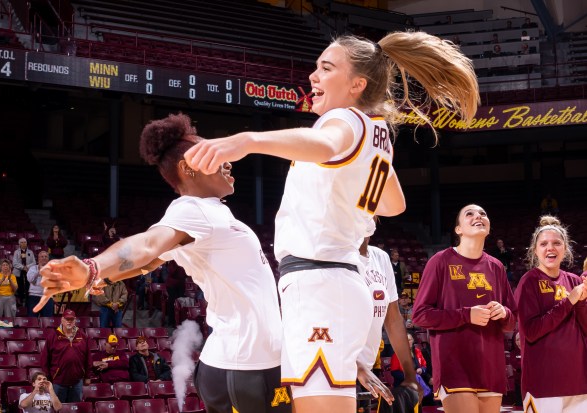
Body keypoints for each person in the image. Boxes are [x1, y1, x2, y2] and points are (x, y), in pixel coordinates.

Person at [183, 33, 478, 413]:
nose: (313, 76)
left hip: (320, 285)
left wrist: (246, 140)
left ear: (358, 84)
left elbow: (325, 146)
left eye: (327, 68)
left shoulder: (344, 119)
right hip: (334, 284)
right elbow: (393, 204)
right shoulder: (377, 132)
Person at [35, 113, 288, 413]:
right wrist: (93, 268)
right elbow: (148, 243)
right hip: (246, 368)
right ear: (187, 169)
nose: (227, 160)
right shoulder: (192, 209)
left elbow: (147, 261)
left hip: (242, 364)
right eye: (211, 153)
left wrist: (103, 274)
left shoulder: (209, 216)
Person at [412, 204, 517, 413]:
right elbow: (420, 315)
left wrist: (503, 313)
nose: (478, 216)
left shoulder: (496, 266)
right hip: (455, 364)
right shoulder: (440, 261)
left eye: (483, 214)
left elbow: (512, 320)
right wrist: (466, 315)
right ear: (458, 229)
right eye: (469, 214)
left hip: (491, 363)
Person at [514, 216, 587, 412]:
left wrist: (581, 303)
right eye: (544, 244)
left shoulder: (574, 281)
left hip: (579, 382)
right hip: (543, 384)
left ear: (565, 248)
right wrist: (569, 301)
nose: (550, 248)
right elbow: (530, 331)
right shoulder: (528, 282)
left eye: (556, 243)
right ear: (535, 250)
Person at [355, 219, 420, 411]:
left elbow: (393, 320)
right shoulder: (335, 257)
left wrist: (410, 375)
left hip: (366, 367)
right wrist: (355, 365)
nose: (366, 215)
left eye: (371, 211)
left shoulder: (381, 258)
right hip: (335, 366)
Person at [40, 309, 91, 403]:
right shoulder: (53, 336)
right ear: (62, 320)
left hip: (77, 381)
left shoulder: (83, 336)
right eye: (67, 319)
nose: (69, 321)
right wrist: (47, 377)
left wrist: (87, 376)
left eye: (72, 319)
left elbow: (88, 357)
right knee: (58, 408)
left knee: (74, 409)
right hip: (58, 382)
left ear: (75, 320)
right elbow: (45, 359)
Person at [389, 333, 431, 398]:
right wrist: (409, 376)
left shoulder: (418, 351)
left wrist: (421, 370)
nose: (408, 342)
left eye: (409, 340)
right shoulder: (397, 354)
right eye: (405, 340)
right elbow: (394, 372)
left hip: (419, 380)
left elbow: (424, 366)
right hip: (404, 381)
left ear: (413, 340)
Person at [26, 250, 55, 317]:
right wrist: (38, 272)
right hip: (34, 296)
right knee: (32, 320)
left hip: (47, 297)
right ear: (38, 258)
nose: (44, 258)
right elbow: (30, 279)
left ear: (48, 259)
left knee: (47, 320)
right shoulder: (32, 268)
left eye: (45, 256)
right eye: (42, 256)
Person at [13, 238, 36, 307]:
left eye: (25, 242)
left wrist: (27, 267)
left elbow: (34, 262)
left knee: (27, 287)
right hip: (18, 272)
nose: (23, 243)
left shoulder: (30, 252)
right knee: (20, 288)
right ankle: (19, 302)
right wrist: (23, 267)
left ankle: (27, 302)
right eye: (22, 242)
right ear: (19, 244)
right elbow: (14, 263)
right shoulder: (16, 252)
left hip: (28, 272)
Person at [508, 331, 522, 407]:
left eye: (520, 339)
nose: (519, 342)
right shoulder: (513, 353)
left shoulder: (529, 351)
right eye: (517, 340)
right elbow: (515, 365)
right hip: (518, 383)